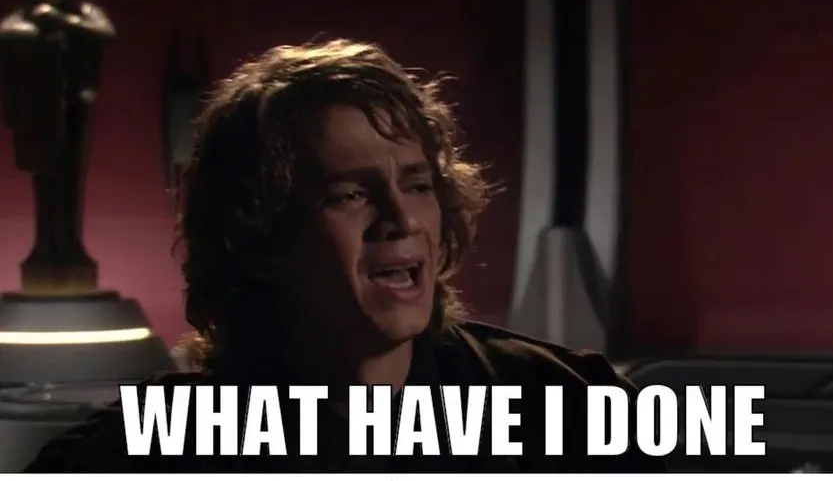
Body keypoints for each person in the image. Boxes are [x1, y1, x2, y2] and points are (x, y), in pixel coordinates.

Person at [23, 38, 666, 473]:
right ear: (258, 236)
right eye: (350, 194)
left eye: (418, 185)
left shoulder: (573, 409)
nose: (401, 220)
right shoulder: (143, 455)